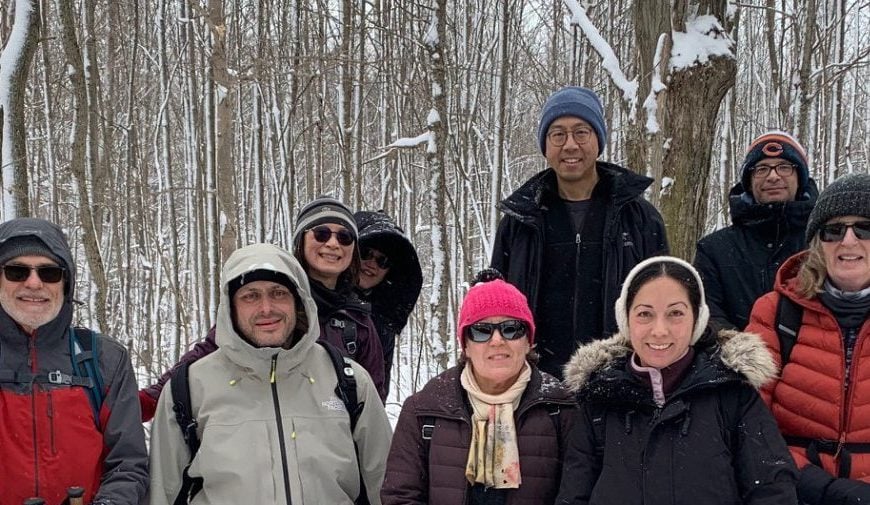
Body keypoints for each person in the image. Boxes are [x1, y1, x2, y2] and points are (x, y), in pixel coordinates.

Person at [149, 243, 392, 505]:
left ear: (298, 301)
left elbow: (385, 486)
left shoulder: (348, 381)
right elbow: (164, 493)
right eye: (250, 296)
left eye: (278, 293)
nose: (266, 308)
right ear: (230, 307)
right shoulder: (189, 388)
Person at [556, 256, 798, 504]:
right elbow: (574, 495)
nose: (659, 329)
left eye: (675, 313)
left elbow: (772, 490)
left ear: (697, 319)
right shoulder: (599, 398)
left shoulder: (734, 395)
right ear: (625, 319)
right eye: (645, 314)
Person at [139, 197, 387, 420]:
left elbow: (372, 401)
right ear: (301, 240)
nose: (333, 243)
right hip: (259, 434)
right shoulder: (270, 299)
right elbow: (213, 348)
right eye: (321, 233)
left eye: (344, 237)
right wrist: (153, 397)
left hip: (327, 449)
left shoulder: (358, 320)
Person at [491, 85, 668, 379]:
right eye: (558, 134)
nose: (570, 145)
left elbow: (663, 302)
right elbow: (496, 306)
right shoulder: (520, 221)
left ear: (598, 140)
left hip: (620, 381)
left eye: (581, 132)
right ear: (545, 145)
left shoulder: (639, 219)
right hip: (534, 385)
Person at [381, 269, 577, 505]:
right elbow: (400, 497)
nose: (497, 340)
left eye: (511, 328)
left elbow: (576, 495)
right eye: (481, 331)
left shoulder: (563, 409)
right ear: (465, 345)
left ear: (528, 341)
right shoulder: (423, 410)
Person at [0, 218, 148, 505]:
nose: (34, 283)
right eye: (17, 271)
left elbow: (128, 464)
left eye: (50, 273)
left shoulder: (103, 360)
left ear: (65, 283)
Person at [746, 173, 870, 504]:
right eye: (833, 230)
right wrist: (823, 488)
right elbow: (747, 426)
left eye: (864, 228)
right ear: (817, 242)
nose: (848, 241)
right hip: (791, 492)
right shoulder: (777, 313)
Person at [695, 130, 819, 331]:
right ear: (749, 181)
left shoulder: (825, 242)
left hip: (813, 359)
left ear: (800, 178)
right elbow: (708, 317)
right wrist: (747, 355)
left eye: (784, 167)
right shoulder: (714, 250)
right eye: (761, 169)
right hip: (735, 359)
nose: (773, 176)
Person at [354, 210, 423, 397]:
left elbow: (378, 389)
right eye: (366, 253)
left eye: (382, 261)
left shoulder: (382, 320)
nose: (372, 264)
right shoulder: (318, 304)